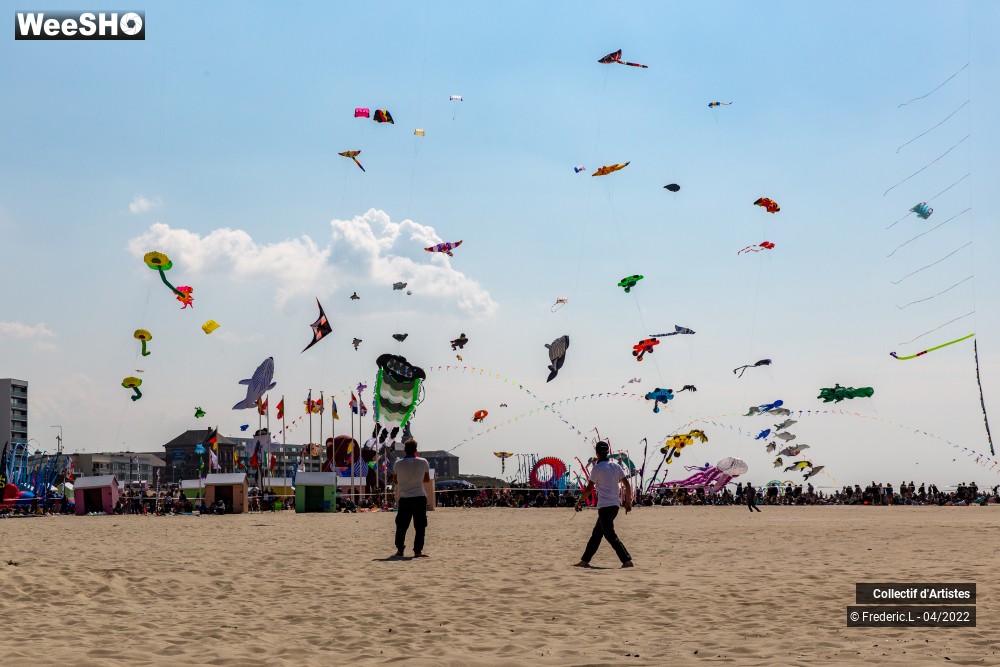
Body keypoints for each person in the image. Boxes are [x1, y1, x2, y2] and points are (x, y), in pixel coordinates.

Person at [574, 441, 634, 568]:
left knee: (609, 534)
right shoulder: (616, 466)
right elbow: (627, 485)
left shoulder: (597, 468)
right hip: (615, 506)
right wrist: (628, 502)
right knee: (596, 534)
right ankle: (585, 561)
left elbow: (589, 489)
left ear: (596, 453)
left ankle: (627, 560)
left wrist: (579, 502)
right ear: (607, 452)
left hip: (605, 507)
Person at [392, 439, 431, 558]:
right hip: (419, 496)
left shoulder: (398, 463)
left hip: (404, 497)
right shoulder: (423, 461)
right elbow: (426, 479)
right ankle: (418, 551)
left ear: (404, 449)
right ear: (416, 449)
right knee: (420, 526)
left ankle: (400, 550)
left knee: (401, 526)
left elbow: (395, 481)